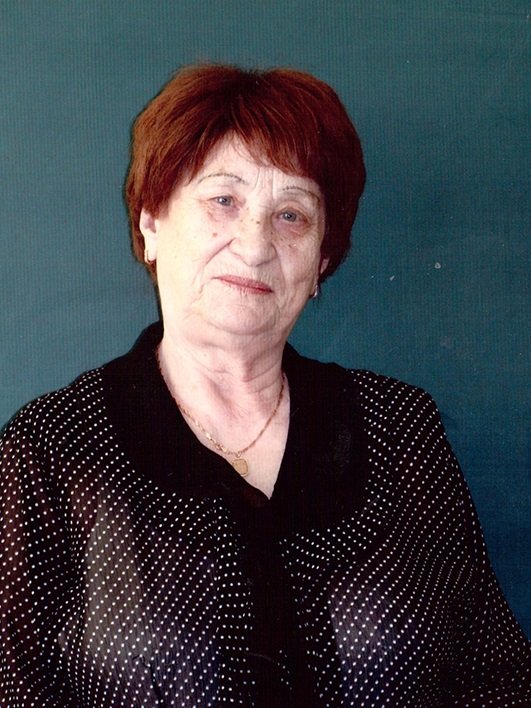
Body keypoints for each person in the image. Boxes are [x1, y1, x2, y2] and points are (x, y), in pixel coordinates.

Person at [0, 64, 529, 707]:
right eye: (223, 200)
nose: (255, 246)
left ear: (322, 260)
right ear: (151, 222)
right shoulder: (53, 446)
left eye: (291, 215)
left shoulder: (400, 428)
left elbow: (497, 678)